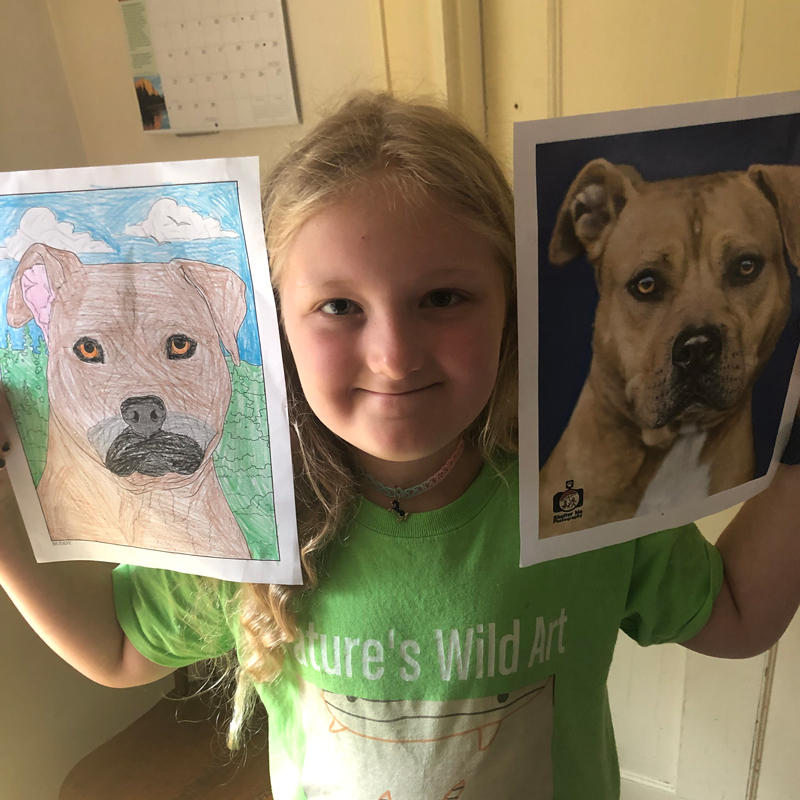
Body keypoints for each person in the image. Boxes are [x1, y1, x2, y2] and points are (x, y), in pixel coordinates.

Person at [2, 91, 800, 800]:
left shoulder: (580, 494)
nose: (394, 355)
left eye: (443, 297)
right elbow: (115, 645)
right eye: (340, 305)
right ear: (277, 328)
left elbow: (732, 612)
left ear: (511, 308)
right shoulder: (258, 519)